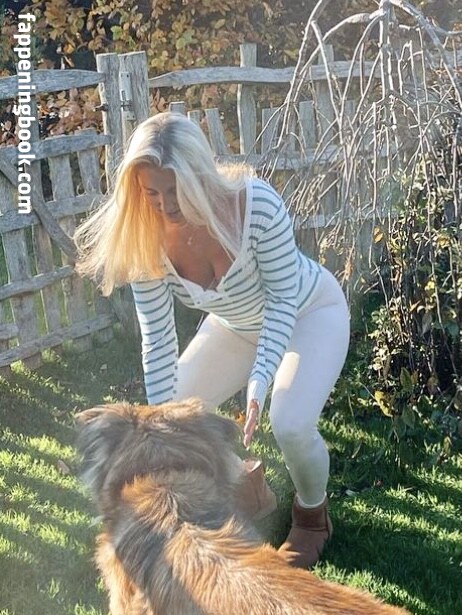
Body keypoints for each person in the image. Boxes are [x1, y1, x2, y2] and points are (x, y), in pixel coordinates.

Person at [74, 111, 350, 569]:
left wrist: (260, 379)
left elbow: (282, 299)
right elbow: (158, 338)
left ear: (200, 175)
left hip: (308, 313)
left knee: (289, 422)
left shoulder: (255, 205)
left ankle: (312, 516)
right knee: (175, 413)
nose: (165, 205)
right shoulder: (146, 236)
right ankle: (246, 485)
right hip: (234, 326)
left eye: (175, 190)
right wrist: (163, 426)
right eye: (152, 193)